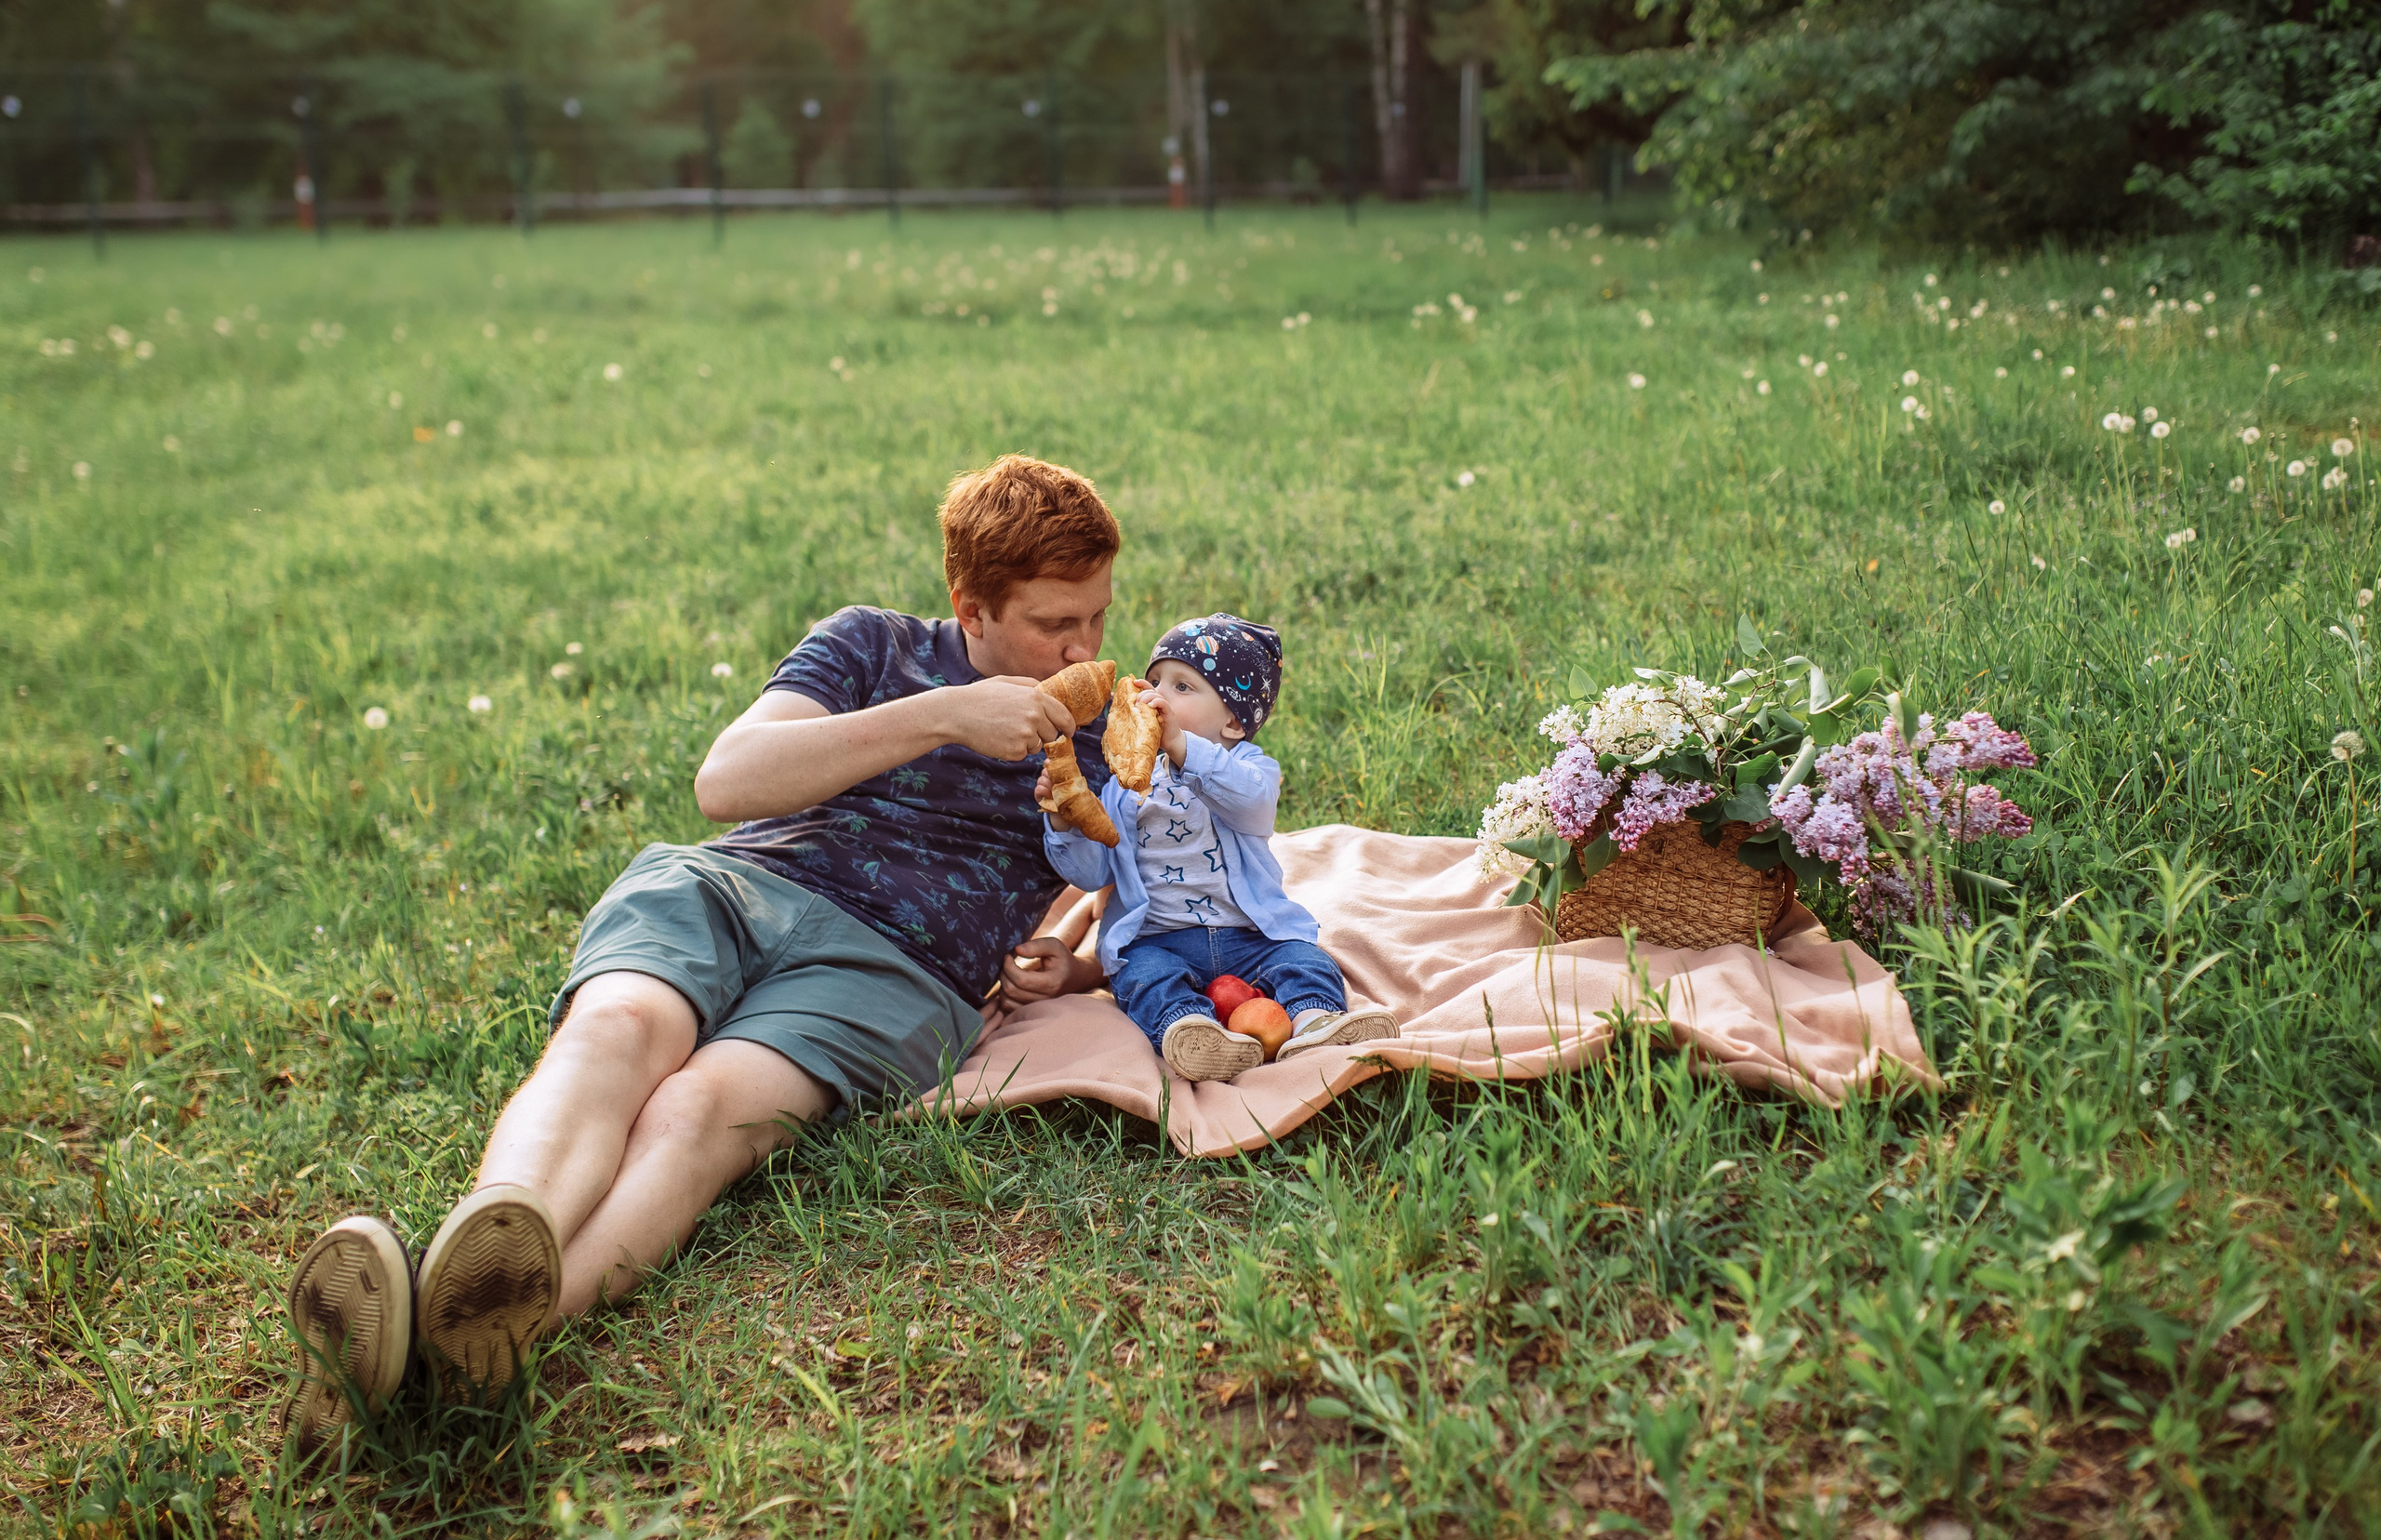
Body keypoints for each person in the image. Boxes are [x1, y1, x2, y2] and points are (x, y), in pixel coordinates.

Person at [278, 455, 1122, 1454]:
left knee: (697, 1109)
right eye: (1052, 625)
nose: (1084, 648)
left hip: (896, 963)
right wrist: (944, 715)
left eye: (1097, 618)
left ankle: (463, 1342)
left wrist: (1071, 958)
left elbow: (1158, 881)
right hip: (732, 887)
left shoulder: (1116, 729)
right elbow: (726, 782)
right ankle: (484, 1252)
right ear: (970, 609)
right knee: (617, 1031)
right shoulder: (871, 646)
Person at [1039, 615, 1398, 1082]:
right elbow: (1091, 874)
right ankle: (1193, 1032)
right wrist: (1063, 818)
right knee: (1141, 977)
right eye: (1154, 680)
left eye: (1182, 687)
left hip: (1251, 934)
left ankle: (1316, 1021)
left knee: (1305, 960)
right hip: (1159, 939)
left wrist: (1181, 747)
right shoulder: (1124, 786)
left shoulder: (1245, 765)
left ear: (1231, 720)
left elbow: (1252, 805)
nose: (1157, 695)